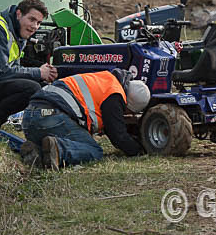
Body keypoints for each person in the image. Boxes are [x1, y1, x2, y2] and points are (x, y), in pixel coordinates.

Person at [18, 69, 151, 169]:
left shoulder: (105, 78)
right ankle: (58, 148)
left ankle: (36, 151)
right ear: (129, 104)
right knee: (93, 151)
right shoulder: (115, 94)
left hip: (30, 117)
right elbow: (118, 135)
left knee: (71, 140)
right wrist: (138, 150)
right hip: (52, 116)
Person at [0, 0, 57, 135]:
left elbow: (16, 72)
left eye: (38, 23)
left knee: (40, 85)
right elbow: (1, 72)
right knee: (30, 88)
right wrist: (38, 72)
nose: (35, 27)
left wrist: (43, 75)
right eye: (31, 20)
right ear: (19, 14)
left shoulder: (17, 34)